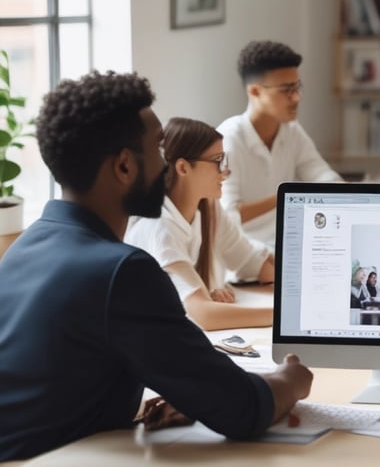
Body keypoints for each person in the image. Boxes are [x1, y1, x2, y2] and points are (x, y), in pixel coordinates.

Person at [0, 71, 312, 462]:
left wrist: (191, 393)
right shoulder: (123, 271)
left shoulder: (23, 248)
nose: (167, 164)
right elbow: (243, 409)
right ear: (125, 167)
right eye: (159, 150)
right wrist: (293, 379)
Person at [125, 117, 275, 331]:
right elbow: (205, 315)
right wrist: (283, 316)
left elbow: (250, 261)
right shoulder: (158, 227)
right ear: (183, 167)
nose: (225, 172)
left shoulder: (209, 209)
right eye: (218, 161)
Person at [217, 40, 342, 251]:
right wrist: (287, 197)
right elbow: (228, 216)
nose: (297, 97)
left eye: (297, 87)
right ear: (255, 91)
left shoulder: (291, 130)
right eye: (286, 90)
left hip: (286, 244)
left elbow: (322, 175)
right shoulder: (228, 139)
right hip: (243, 253)